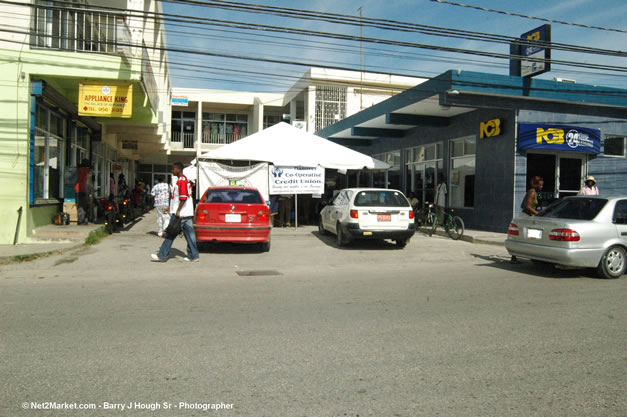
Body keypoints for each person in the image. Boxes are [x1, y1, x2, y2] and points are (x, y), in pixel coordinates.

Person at [151, 162, 199, 262]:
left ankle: (162, 256)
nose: (172, 171)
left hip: (180, 214)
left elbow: (183, 197)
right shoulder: (184, 180)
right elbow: (177, 198)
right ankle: (194, 256)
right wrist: (170, 207)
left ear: (178, 169)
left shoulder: (181, 181)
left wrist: (177, 210)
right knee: (190, 235)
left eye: (173, 169)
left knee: (170, 234)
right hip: (186, 213)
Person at [511, 175, 544, 264]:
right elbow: (526, 206)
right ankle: (514, 257)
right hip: (526, 216)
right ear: (536, 185)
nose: (541, 187)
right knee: (521, 236)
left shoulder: (532, 192)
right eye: (540, 185)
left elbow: (523, 205)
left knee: (530, 236)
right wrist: (537, 213)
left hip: (529, 216)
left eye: (542, 185)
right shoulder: (532, 192)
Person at [75, 160, 91, 225]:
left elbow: (78, 180)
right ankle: (83, 219)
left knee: (80, 206)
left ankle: (81, 219)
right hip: (84, 190)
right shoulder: (86, 171)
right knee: (84, 206)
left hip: (79, 190)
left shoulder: (79, 171)